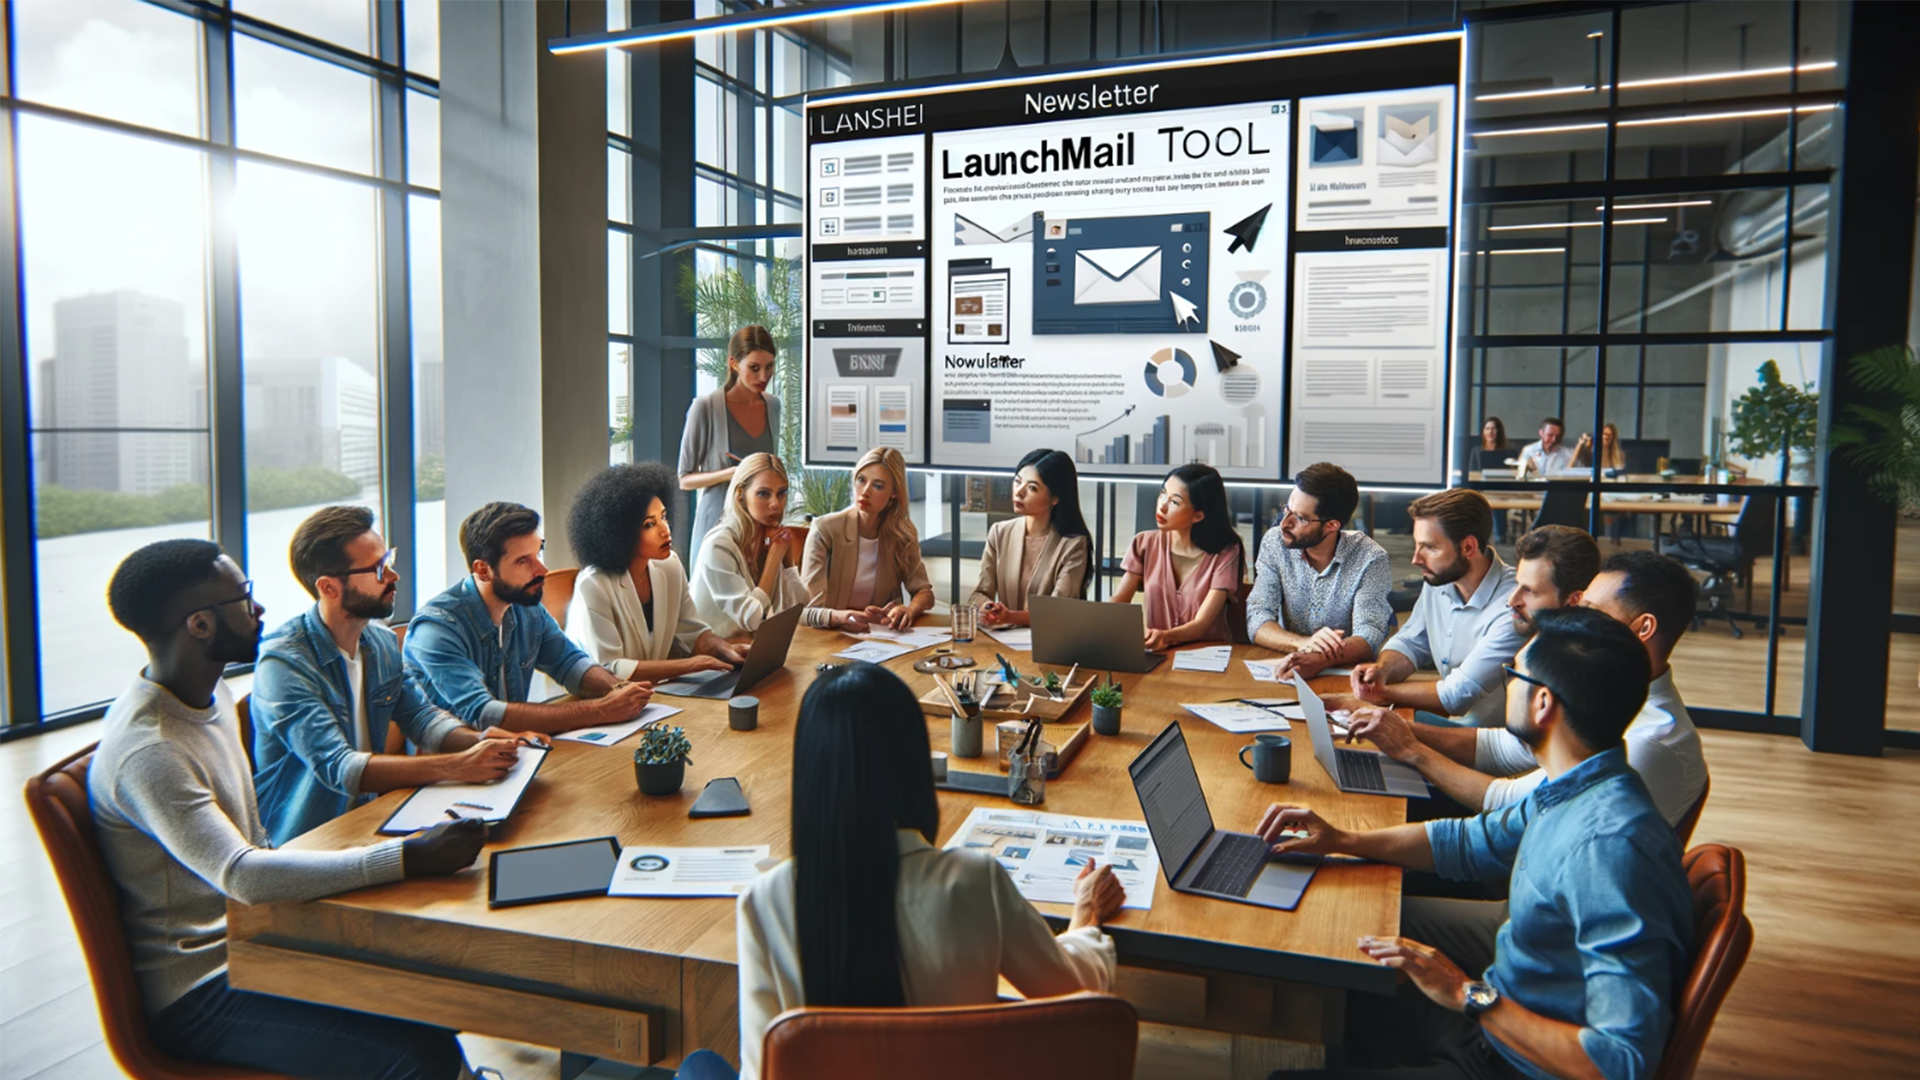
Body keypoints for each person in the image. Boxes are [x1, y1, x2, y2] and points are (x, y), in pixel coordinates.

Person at [89, 539, 491, 1079]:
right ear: (200, 625)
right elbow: (243, 874)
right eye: (243, 597)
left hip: (258, 940)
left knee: (431, 999)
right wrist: (407, 857)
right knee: (409, 1058)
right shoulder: (152, 749)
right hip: (203, 989)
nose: (257, 609)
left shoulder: (204, 700)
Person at [1257, 608, 1693, 1080]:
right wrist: (1342, 839)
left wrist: (1465, 994)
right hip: (1493, 1016)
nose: (1508, 686)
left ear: (1542, 703)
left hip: (1508, 1061)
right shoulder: (1574, 783)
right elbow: (1465, 842)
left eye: (1514, 676)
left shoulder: (1609, 849)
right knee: (1338, 973)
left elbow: (1622, 1063)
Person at [674, 662, 1124, 1080]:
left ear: (810, 775)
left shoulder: (764, 900)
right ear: (915, 766)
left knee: (699, 1065)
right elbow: (1076, 992)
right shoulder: (972, 882)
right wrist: (1084, 917)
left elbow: (767, 1069)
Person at [252, 506, 549, 846]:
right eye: (379, 569)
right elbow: (340, 768)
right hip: (308, 843)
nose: (394, 576)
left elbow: (421, 718)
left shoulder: (378, 641)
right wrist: (458, 765)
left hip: (374, 822)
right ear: (329, 588)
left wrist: (479, 741)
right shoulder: (283, 663)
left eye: (388, 560)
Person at [1349, 550, 1706, 829]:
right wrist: (1393, 727)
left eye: (1592, 611)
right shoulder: (1602, 685)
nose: (1575, 620)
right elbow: (1505, 748)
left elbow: (1514, 809)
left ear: (1643, 628)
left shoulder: (1650, 741)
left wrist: (1411, 749)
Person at [404, 501, 655, 735]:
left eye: (539, 552)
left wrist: (618, 691)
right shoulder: (436, 629)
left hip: (516, 755)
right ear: (483, 570)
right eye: (523, 561)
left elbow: (568, 662)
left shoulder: (525, 607)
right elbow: (483, 714)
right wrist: (602, 710)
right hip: (454, 770)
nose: (542, 571)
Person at [1343, 489, 1525, 726]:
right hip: (1452, 723)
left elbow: (1457, 694)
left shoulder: (1514, 604)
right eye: (1417, 545)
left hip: (1490, 739)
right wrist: (1381, 671)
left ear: (1468, 547)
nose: (1416, 559)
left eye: (1430, 548)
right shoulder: (1441, 577)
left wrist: (1381, 693)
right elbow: (1412, 641)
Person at [566, 462, 749, 682]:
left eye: (663, 517)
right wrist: (691, 665)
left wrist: (725, 650)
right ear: (620, 533)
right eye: (649, 524)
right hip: (602, 700)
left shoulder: (669, 566)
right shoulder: (594, 585)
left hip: (652, 697)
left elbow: (693, 632)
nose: (665, 530)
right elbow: (610, 668)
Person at [1246, 462, 1392, 679]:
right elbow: (1257, 617)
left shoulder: (1370, 558)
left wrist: (1321, 658)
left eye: (1301, 518)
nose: (1285, 523)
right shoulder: (1274, 542)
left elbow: (1369, 636)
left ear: (1332, 526)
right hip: (1285, 667)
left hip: (1343, 675)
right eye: (1286, 509)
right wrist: (1304, 644)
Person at [1111, 463, 1245, 650]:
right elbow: (1119, 600)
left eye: (1174, 502)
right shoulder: (1144, 543)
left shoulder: (1226, 552)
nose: (1162, 507)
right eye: (1162, 494)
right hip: (1158, 654)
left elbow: (1200, 625)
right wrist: (1095, 617)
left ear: (1198, 516)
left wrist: (1165, 636)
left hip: (1207, 657)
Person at [801, 446, 934, 631]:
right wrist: (841, 617)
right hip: (831, 635)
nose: (865, 492)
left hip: (881, 637)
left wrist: (909, 610)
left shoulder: (902, 533)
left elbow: (924, 593)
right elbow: (807, 611)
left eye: (878, 486)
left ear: (894, 493)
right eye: (861, 480)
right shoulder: (825, 529)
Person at [679, 326, 782, 563]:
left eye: (769, 367)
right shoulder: (705, 408)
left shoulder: (773, 406)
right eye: (754, 368)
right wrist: (731, 474)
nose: (763, 377)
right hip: (717, 527)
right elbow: (684, 479)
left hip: (759, 531)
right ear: (734, 364)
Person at [690, 452, 811, 636]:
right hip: (709, 658)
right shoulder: (719, 546)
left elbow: (799, 608)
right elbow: (752, 618)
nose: (775, 504)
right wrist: (774, 557)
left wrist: (788, 562)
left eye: (782, 493)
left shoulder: (768, 538)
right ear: (740, 495)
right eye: (763, 494)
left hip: (748, 653)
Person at [967, 449, 1092, 627]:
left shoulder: (1074, 545)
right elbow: (980, 593)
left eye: (1032, 488)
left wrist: (1011, 617)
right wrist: (986, 607)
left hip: (1050, 640)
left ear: (1055, 498)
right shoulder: (999, 532)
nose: (1019, 492)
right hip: (1003, 639)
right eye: (1017, 482)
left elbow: (1058, 609)